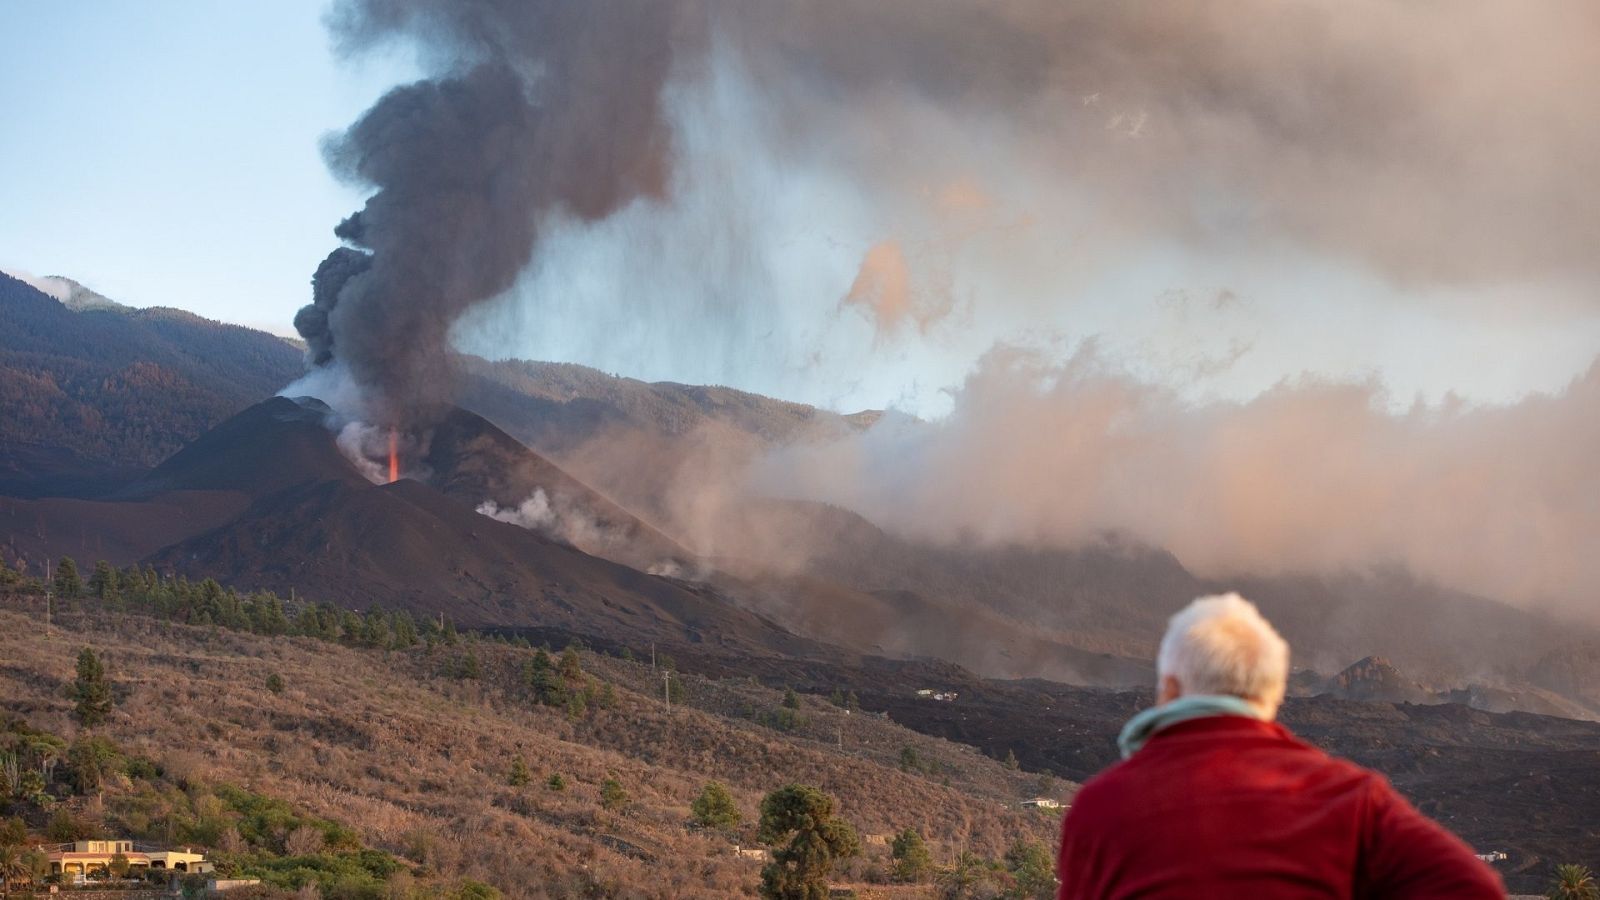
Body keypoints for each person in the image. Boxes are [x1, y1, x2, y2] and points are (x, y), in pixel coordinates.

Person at [1056, 593, 1502, 899]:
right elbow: (1474, 890)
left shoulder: (1099, 810)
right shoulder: (1352, 801)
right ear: (1272, 697)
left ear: (1170, 688)